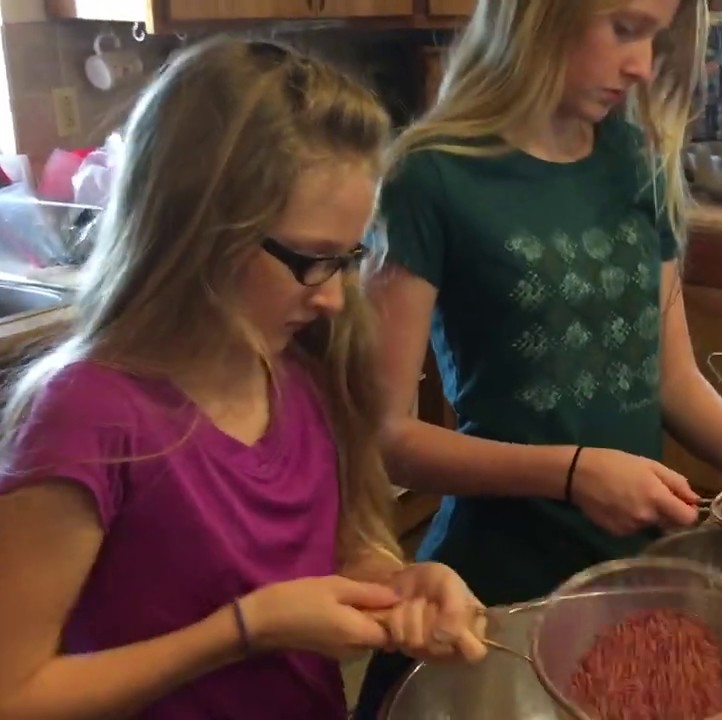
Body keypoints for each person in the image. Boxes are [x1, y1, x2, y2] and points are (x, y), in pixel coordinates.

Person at [355, 0, 722, 713]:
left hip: (640, 578)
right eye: (623, 28)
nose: (642, 65)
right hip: (496, 590)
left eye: (654, 36)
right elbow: (384, 438)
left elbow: (670, 378)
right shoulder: (430, 179)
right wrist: (574, 472)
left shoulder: (634, 159)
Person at [0, 38, 488, 720]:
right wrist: (244, 630)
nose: (335, 298)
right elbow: (16, 693)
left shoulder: (304, 372)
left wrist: (401, 583)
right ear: (199, 229)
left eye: (349, 256)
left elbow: (339, 553)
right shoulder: (89, 415)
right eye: (311, 259)